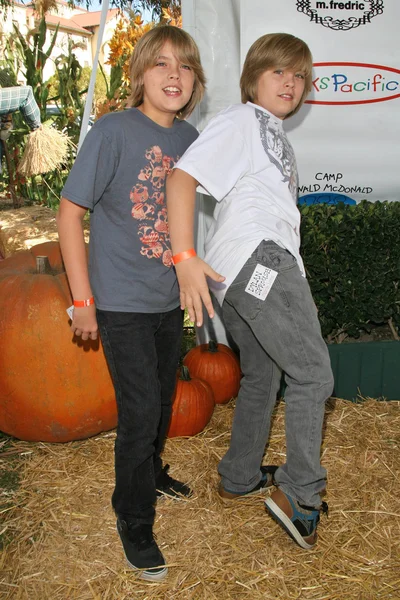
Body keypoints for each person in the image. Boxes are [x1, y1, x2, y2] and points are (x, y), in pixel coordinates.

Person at [166, 32, 334, 550]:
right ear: (253, 79)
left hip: (239, 272)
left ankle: (240, 474)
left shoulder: (269, 131)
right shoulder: (242, 120)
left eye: (299, 75)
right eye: (278, 71)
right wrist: (184, 257)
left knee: (263, 373)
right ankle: (300, 496)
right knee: (313, 373)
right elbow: (181, 179)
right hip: (259, 261)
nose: (290, 82)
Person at [57, 26, 206, 580]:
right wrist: (82, 300)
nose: (174, 74)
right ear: (139, 72)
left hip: (169, 299)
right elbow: (71, 213)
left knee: (165, 400)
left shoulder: (191, 138)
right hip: (120, 302)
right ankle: (133, 514)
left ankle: (150, 470)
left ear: (196, 81)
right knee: (141, 412)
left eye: (186, 66)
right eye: (162, 63)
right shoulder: (113, 130)